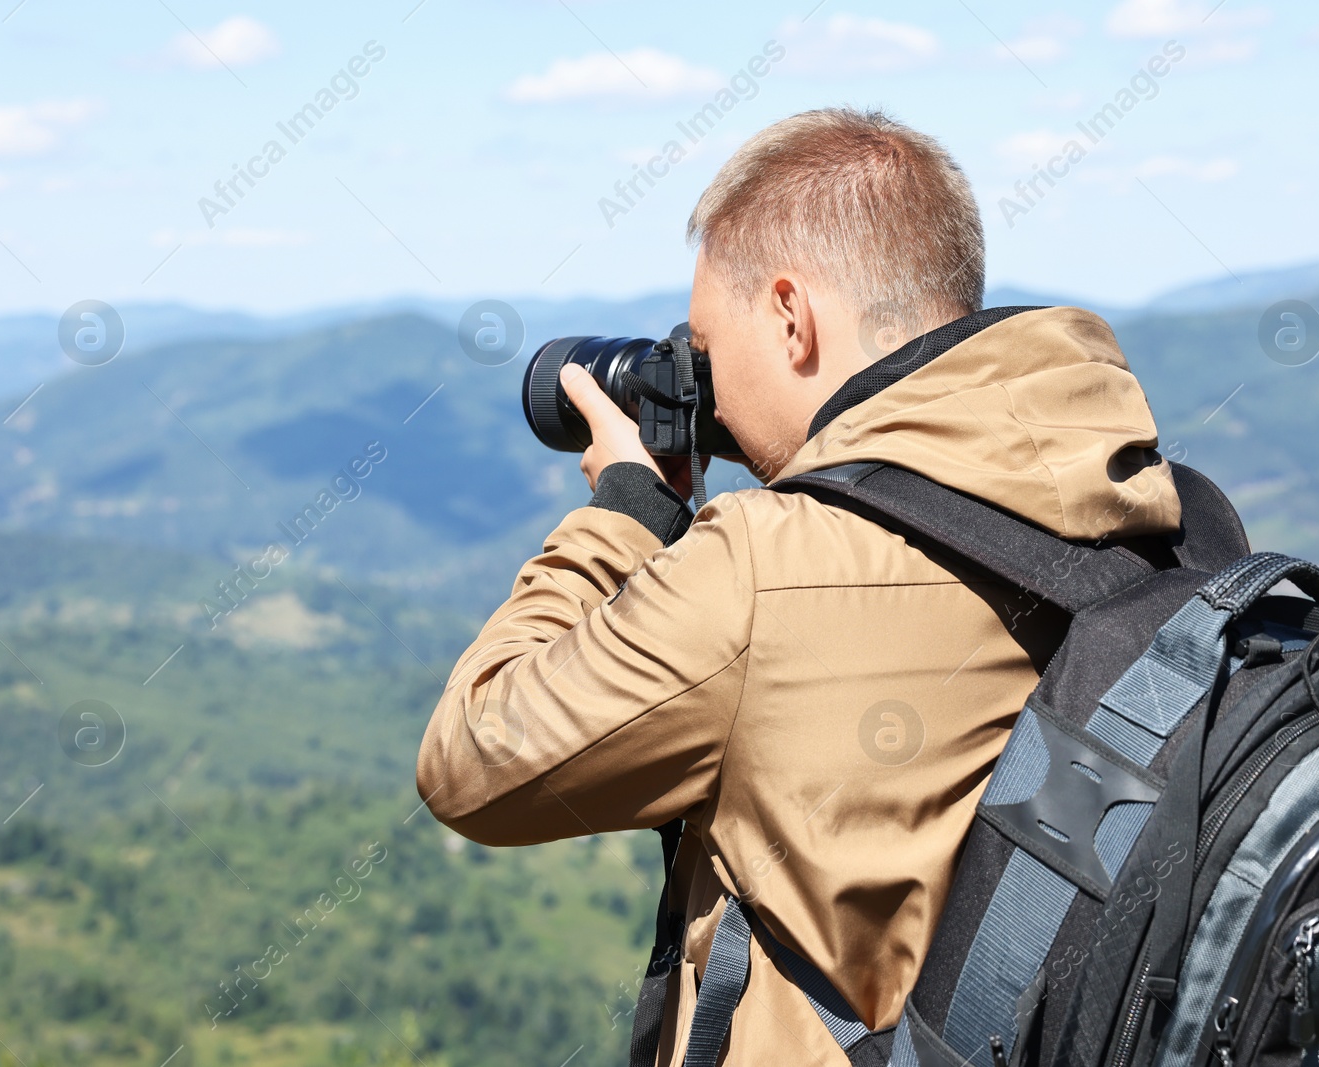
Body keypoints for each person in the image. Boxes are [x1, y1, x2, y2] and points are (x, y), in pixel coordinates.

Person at [417, 107, 1181, 1066]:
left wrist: (625, 515)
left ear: (791, 314)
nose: (706, 387)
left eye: (704, 345)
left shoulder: (767, 566)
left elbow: (471, 760)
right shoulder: (1158, 513)